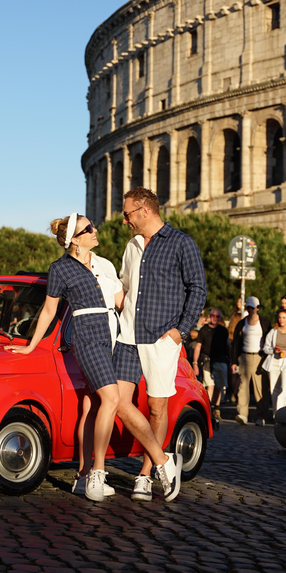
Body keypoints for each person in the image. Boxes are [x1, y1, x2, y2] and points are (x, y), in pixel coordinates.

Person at [5, 213, 124, 502]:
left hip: (111, 336)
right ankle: (98, 472)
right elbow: (48, 311)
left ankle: (82, 477)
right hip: (86, 338)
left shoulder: (103, 263)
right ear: (74, 239)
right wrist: (31, 345)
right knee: (112, 399)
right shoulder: (60, 269)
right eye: (89, 228)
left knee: (92, 405)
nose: (95, 230)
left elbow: (122, 302)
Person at [113, 187, 207, 503]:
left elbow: (198, 289)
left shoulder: (182, 243)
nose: (124, 220)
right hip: (127, 335)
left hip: (161, 337)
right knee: (119, 402)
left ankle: (145, 473)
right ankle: (164, 460)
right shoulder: (132, 246)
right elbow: (124, 289)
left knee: (157, 406)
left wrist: (181, 331)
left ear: (144, 211)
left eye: (127, 214)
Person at [231, 296, 271, 426]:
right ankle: (242, 414)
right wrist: (234, 361)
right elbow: (235, 343)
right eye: (248, 307)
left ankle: (260, 416)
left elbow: (269, 339)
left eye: (253, 307)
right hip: (244, 356)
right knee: (243, 386)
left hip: (259, 356)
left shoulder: (264, 322)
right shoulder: (242, 323)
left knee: (260, 387)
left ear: (258, 308)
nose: (251, 310)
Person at [262, 309, 286, 416]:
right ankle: (277, 415)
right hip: (274, 361)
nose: (281, 320)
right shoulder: (273, 332)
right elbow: (265, 348)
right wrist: (273, 351)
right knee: (274, 390)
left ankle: (285, 414)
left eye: (284, 318)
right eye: (280, 317)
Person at [192, 308, 229, 420]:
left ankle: (216, 408)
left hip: (220, 360)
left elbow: (228, 346)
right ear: (209, 316)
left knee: (219, 385)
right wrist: (195, 363)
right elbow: (198, 346)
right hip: (206, 360)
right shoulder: (204, 330)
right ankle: (207, 407)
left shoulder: (223, 330)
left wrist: (231, 361)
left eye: (217, 316)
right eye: (213, 315)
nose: (215, 318)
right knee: (210, 384)